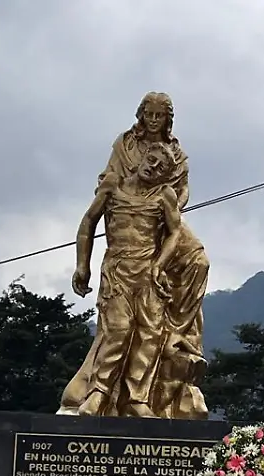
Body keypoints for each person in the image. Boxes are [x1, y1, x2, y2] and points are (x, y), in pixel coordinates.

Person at [58, 92, 210, 420]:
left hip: (162, 215)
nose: (154, 120)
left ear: (168, 119)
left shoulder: (177, 155)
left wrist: (167, 204)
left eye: (160, 116)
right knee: (120, 327)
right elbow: (96, 204)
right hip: (125, 233)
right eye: (149, 114)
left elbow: (182, 192)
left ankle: (179, 334)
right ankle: (100, 392)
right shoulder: (124, 146)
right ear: (141, 114)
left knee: (198, 261)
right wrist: (82, 264)